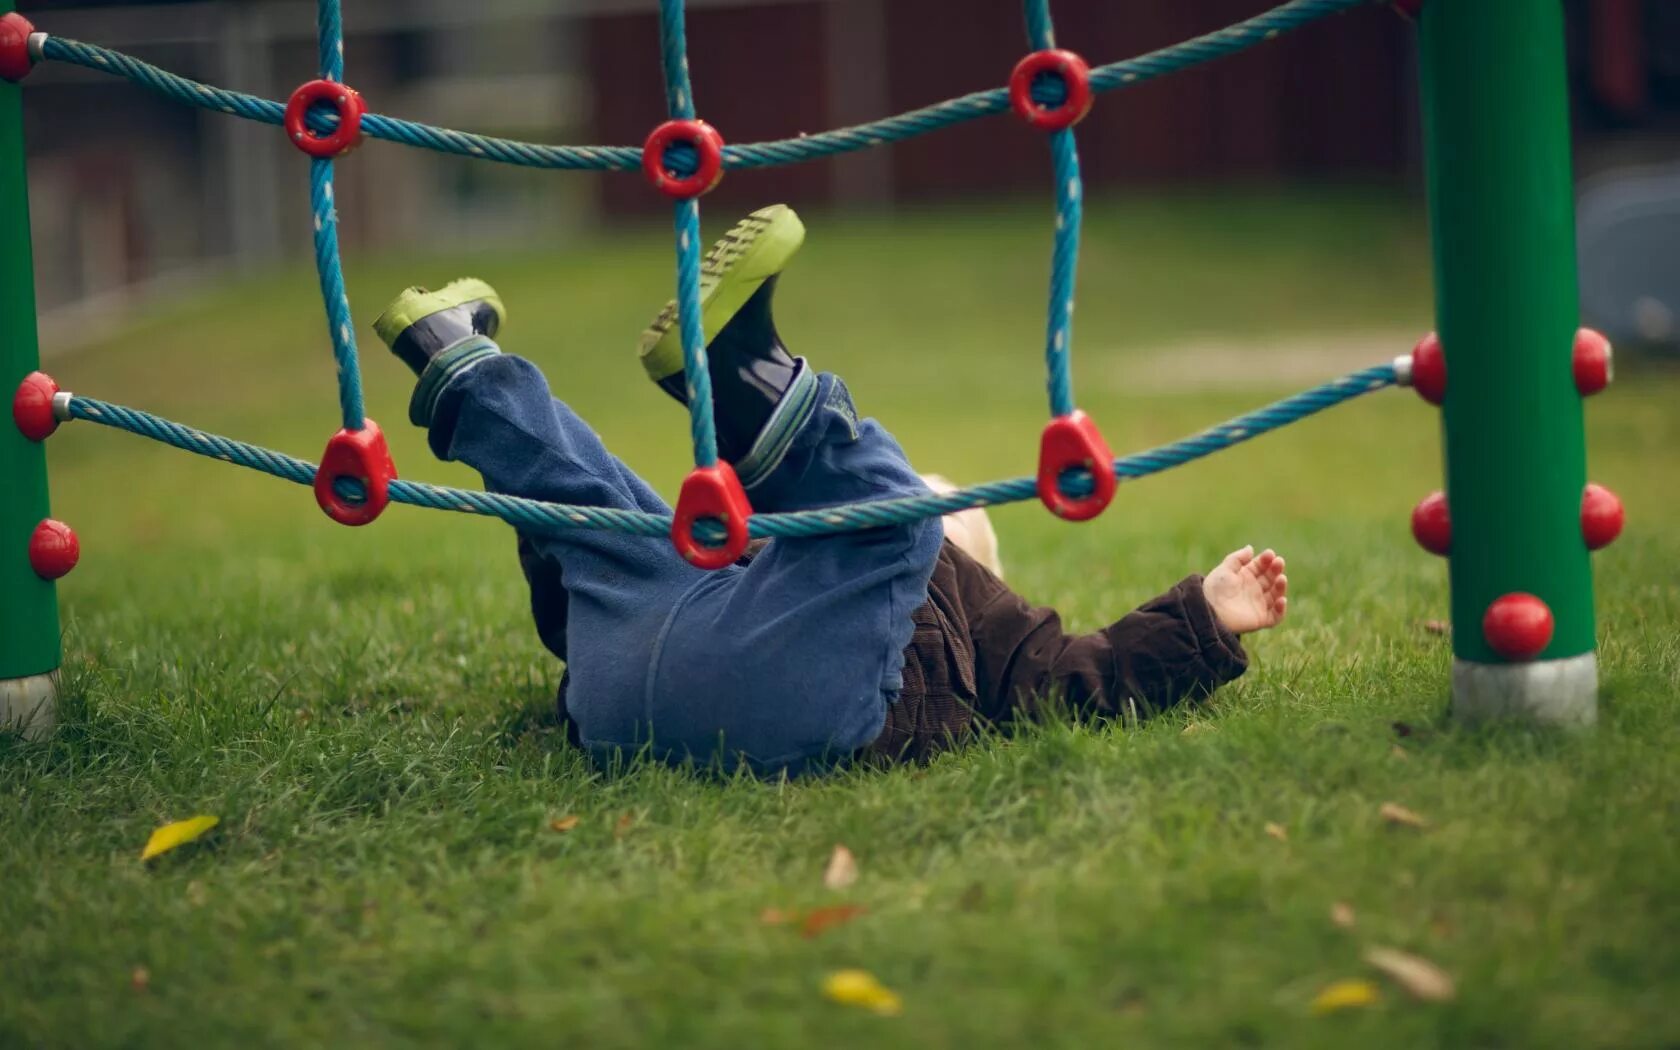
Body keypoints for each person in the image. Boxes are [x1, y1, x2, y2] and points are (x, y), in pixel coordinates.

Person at [370, 205, 1287, 774]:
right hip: (680, 677)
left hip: (653, 703)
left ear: (976, 562)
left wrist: (1202, 618)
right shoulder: (780, 577)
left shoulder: (948, 599)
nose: (943, 509)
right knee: (613, 516)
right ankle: (473, 363)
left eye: (953, 510)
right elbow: (572, 597)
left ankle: (485, 374)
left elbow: (1080, 679)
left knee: (616, 518)